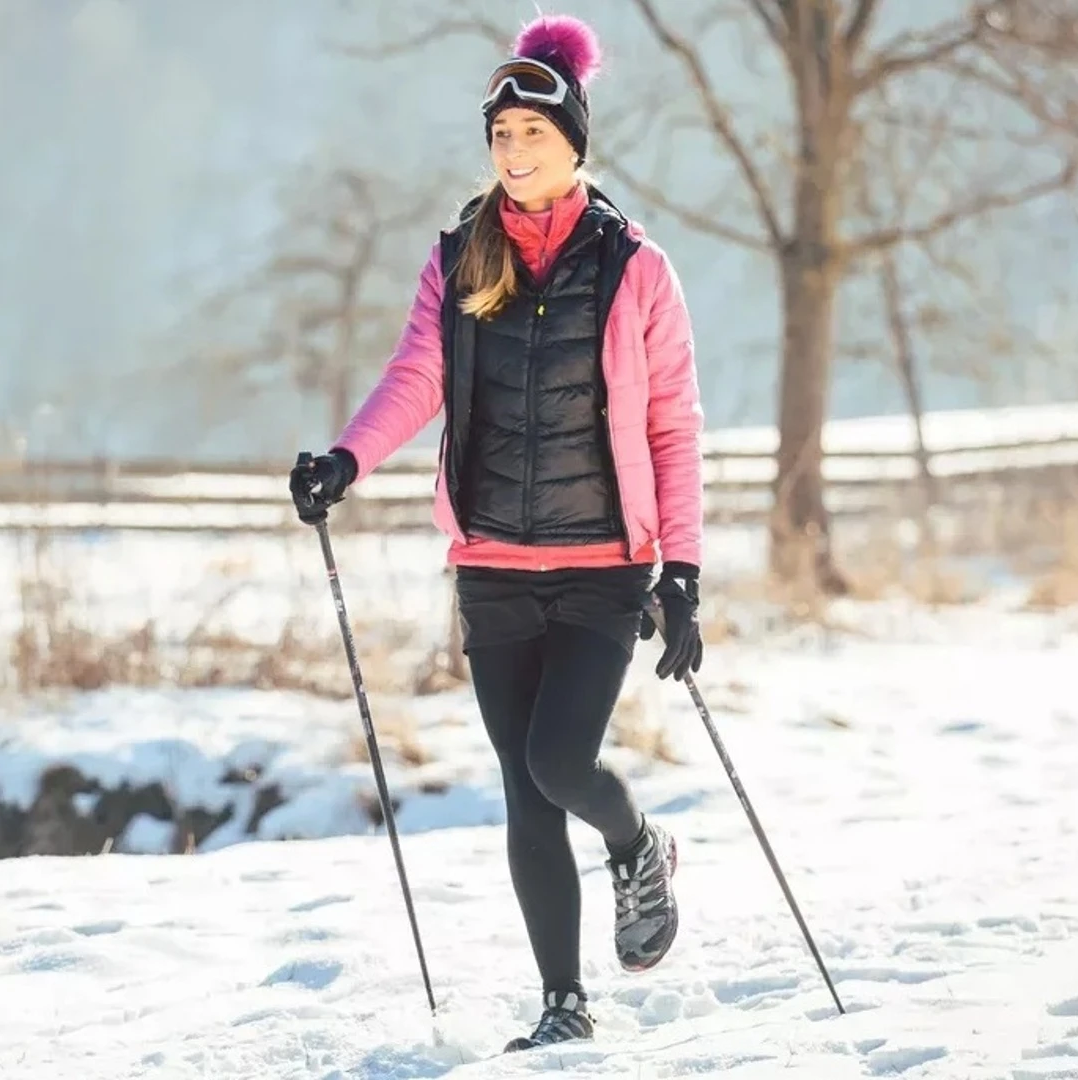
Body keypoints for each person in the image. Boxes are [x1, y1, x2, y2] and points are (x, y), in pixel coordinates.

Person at [288, 12, 705, 1053]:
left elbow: (671, 422)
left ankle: (638, 841)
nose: (513, 153)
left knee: (563, 762)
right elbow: (415, 376)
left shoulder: (634, 268)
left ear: (574, 144)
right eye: (500, 136)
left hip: (605, 565)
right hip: (491, 567)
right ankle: (564, 1003)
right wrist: (346, 458)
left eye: (532, 134)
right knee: (524, 792)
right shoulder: (460, 257)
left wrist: (684, 571)